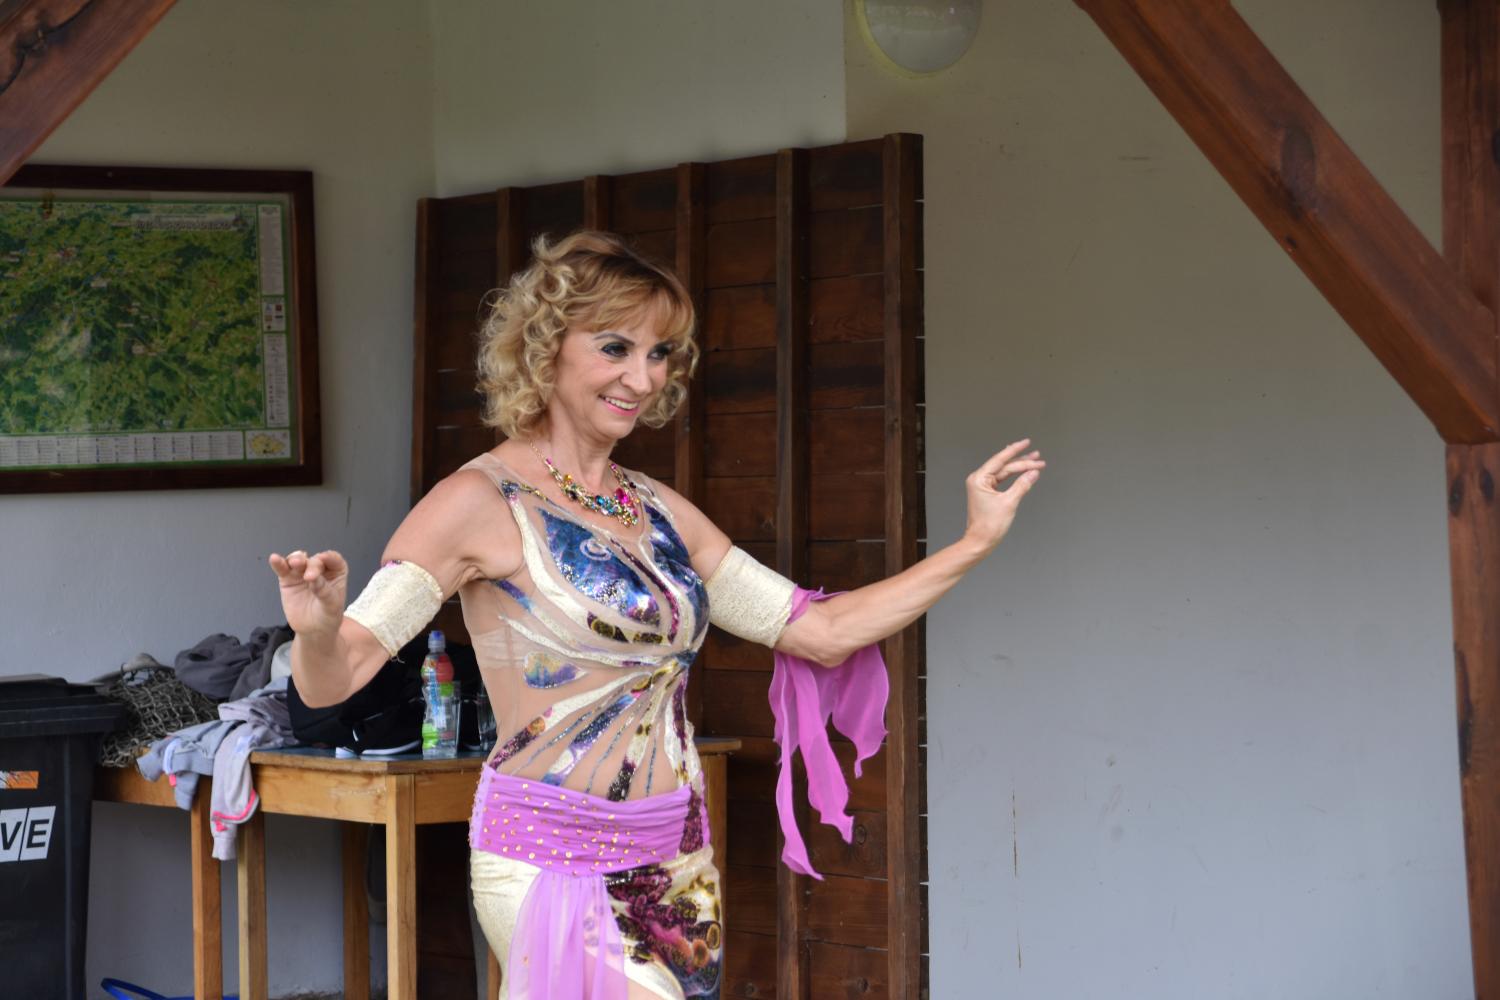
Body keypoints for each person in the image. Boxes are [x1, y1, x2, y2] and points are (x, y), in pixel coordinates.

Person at [269, 230, 1044, 999]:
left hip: (676, 857)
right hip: (552, 856)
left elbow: (820, 632)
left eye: (660, 353)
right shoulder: (477, 501)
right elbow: (336, 678)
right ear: (546, 348)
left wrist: (972, 543)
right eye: (615, 348)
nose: (641, 378)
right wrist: (317, 631)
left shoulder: (659, 510)